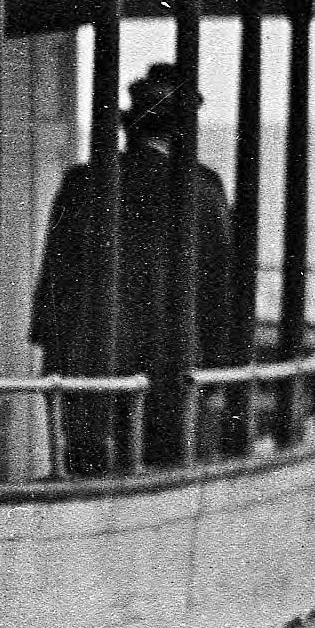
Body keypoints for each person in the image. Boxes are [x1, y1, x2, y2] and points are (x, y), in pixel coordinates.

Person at [31, 62, 240, 415]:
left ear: (129, 125)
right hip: (173, 360)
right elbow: (219, 286)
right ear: (182, 130)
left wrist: (51, 349)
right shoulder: (203, 188)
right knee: (166, 444)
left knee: (88, 445)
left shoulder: (82, 182)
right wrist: (218, 371)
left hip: (89, 357)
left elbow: (56, 274)